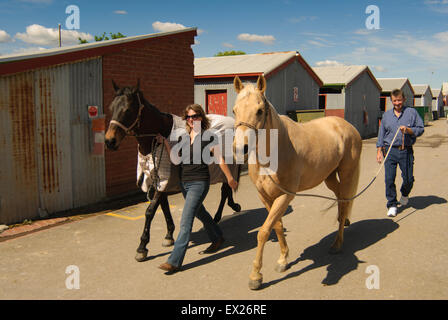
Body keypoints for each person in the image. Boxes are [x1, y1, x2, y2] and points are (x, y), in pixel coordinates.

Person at [156, 104, 238, 273]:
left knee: (186, 222)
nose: (192, 120)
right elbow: (176, 160)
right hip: (184, 183)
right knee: (201, 213)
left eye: (195, 116)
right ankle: (218, 237)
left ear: (201, 117)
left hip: (199, 183)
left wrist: (230, 177)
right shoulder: (184, 138)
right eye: (189, 117)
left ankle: (174, 261)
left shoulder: (209, 137)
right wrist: (165, 142)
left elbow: (219, 158)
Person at [376, 89, 424, 217]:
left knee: (408, 179)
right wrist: (379, 151)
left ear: (404, 99)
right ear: (391, 101)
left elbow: (421, 129)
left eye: (399, 100)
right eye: (395, 100)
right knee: (389, 179)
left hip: (406, 150)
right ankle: (392, 204)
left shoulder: (411, 112)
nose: (397, 103)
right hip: (390, 151)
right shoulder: (386, 115)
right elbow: (381, 134)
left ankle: (404, 193)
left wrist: (409, 130)